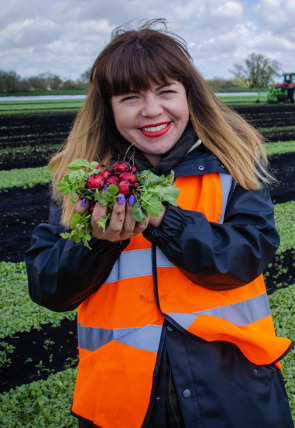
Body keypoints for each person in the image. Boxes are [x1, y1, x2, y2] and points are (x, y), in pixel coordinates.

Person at [25, 19, 294, 428]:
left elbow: (247, 256)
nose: (152, 111)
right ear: (108, 107)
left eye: (166, 91)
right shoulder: (82, 179)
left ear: (189, 95)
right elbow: (48, 285)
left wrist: (166, 223)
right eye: (130, 97)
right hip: (123, 402)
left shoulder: (232, 163)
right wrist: (97, 242)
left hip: (233, 390)